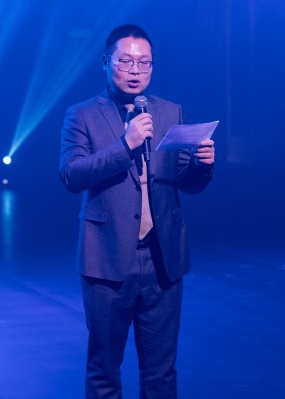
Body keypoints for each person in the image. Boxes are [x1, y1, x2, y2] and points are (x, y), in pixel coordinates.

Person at [59, 24, 215, 398]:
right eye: (126, 61)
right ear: (106, 62)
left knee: (161, 372)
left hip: (162, 258)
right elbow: (71, 175)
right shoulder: (82, 114)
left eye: (144, 63)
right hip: (107, 259)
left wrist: (202, 166)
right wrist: (125, 145)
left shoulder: (170, 111)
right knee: (104, 370)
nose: (135, 70)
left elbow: (184, 181)